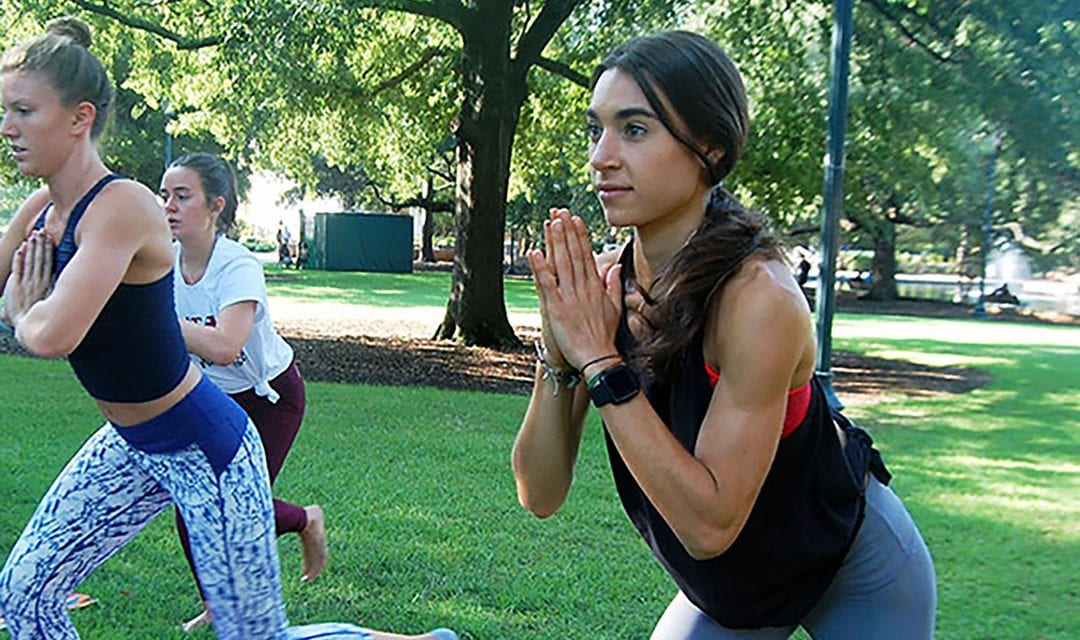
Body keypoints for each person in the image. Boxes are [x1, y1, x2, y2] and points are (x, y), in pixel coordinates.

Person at [0, 17, 457, 640]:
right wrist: (25, 309)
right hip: (127, 444)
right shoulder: (40, 209)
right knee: (25, 592)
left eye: (23, 111)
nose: (7, 128)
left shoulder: (124, 205)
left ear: (79, 118)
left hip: (205, 447)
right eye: (5, 110)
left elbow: (52, 334)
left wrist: (25, 313)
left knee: (252, 637)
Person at [512, 31, 935, 639]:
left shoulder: (759, 299)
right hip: (734, 588)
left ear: (708, 148)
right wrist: (560, 351)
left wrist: (603, 363)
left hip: (854, 564)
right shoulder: (604, 288)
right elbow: (540, 493)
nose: (601, 156)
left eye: (634, 129)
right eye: (595, 129)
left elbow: (709, 526)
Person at [162, 153, 326, 632]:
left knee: (240, 506)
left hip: (271, 397)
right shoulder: (163, 261)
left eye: (182, 195)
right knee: (190, 502)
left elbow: (225, 345)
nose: (168, 205)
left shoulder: (237, 266)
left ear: (216, 206)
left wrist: (159, 323)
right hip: (211, 399)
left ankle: (306, 518)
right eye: (165, 194)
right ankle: (215, 603)